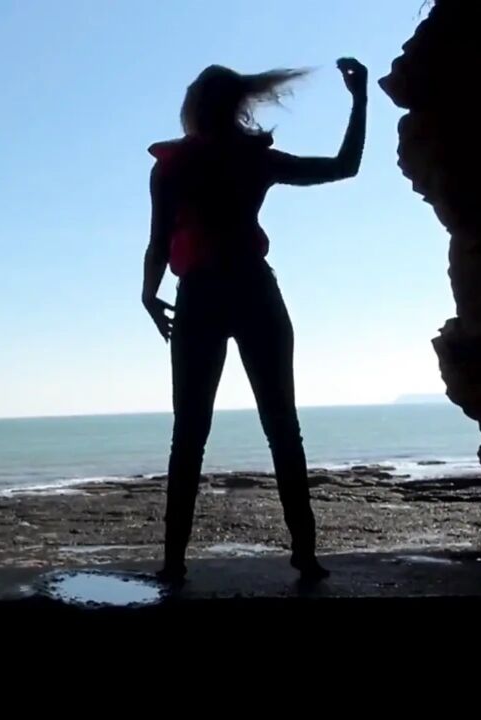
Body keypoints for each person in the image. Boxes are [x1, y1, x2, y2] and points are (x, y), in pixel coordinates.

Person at [142, 57, 368, 584]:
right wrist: (359, 101)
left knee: (189, 434)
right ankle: (305, 555)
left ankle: (174, 563)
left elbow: (157, 243)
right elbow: (344, 166)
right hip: (255, 291)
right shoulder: (254, 161)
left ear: (194, 109)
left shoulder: (171, 167)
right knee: (282, 427)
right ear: (237, 105)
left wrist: (150, 296)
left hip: (198, 295)